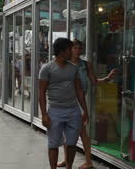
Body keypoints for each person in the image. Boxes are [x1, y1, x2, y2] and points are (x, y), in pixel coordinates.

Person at [57, 39, 117, 169]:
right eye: (75, 48)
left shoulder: (86, 65)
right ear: (69, 50)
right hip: (67, 101)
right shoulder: (65, 64)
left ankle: (88, 161)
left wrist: (107, 78)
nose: (77, 51)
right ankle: (67, 159)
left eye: (79, 48)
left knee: (82, 132)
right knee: (67, 132)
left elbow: (94, 81)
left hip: (79, 101)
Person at [39, 38, 89, 169]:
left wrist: (85, 110)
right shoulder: (47, 69)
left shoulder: (74, 68)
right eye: (69, 49)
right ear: (62, 51)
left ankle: (69, 167)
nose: (72, 52)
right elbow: (41, 93)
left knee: (72, 143)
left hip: (73, 111)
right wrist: (44, 115)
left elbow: (79, 90)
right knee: (53, 144)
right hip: (55, 111)